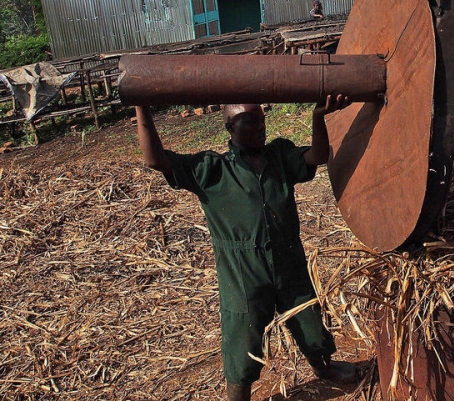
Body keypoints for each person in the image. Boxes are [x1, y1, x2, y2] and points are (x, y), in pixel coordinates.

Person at [135, 96, 356, 401]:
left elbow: (318, 155)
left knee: (308, 318)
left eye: (262, 118)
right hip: (243, 271)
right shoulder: (212, 170)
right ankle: (238, 397)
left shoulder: (279, 155)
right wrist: (142, 107)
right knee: (244, 336)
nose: (261, 126)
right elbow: (154, 160)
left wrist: (319, 115)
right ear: (230, 127)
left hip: (287, 258)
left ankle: (324, 367)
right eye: (250, 120)